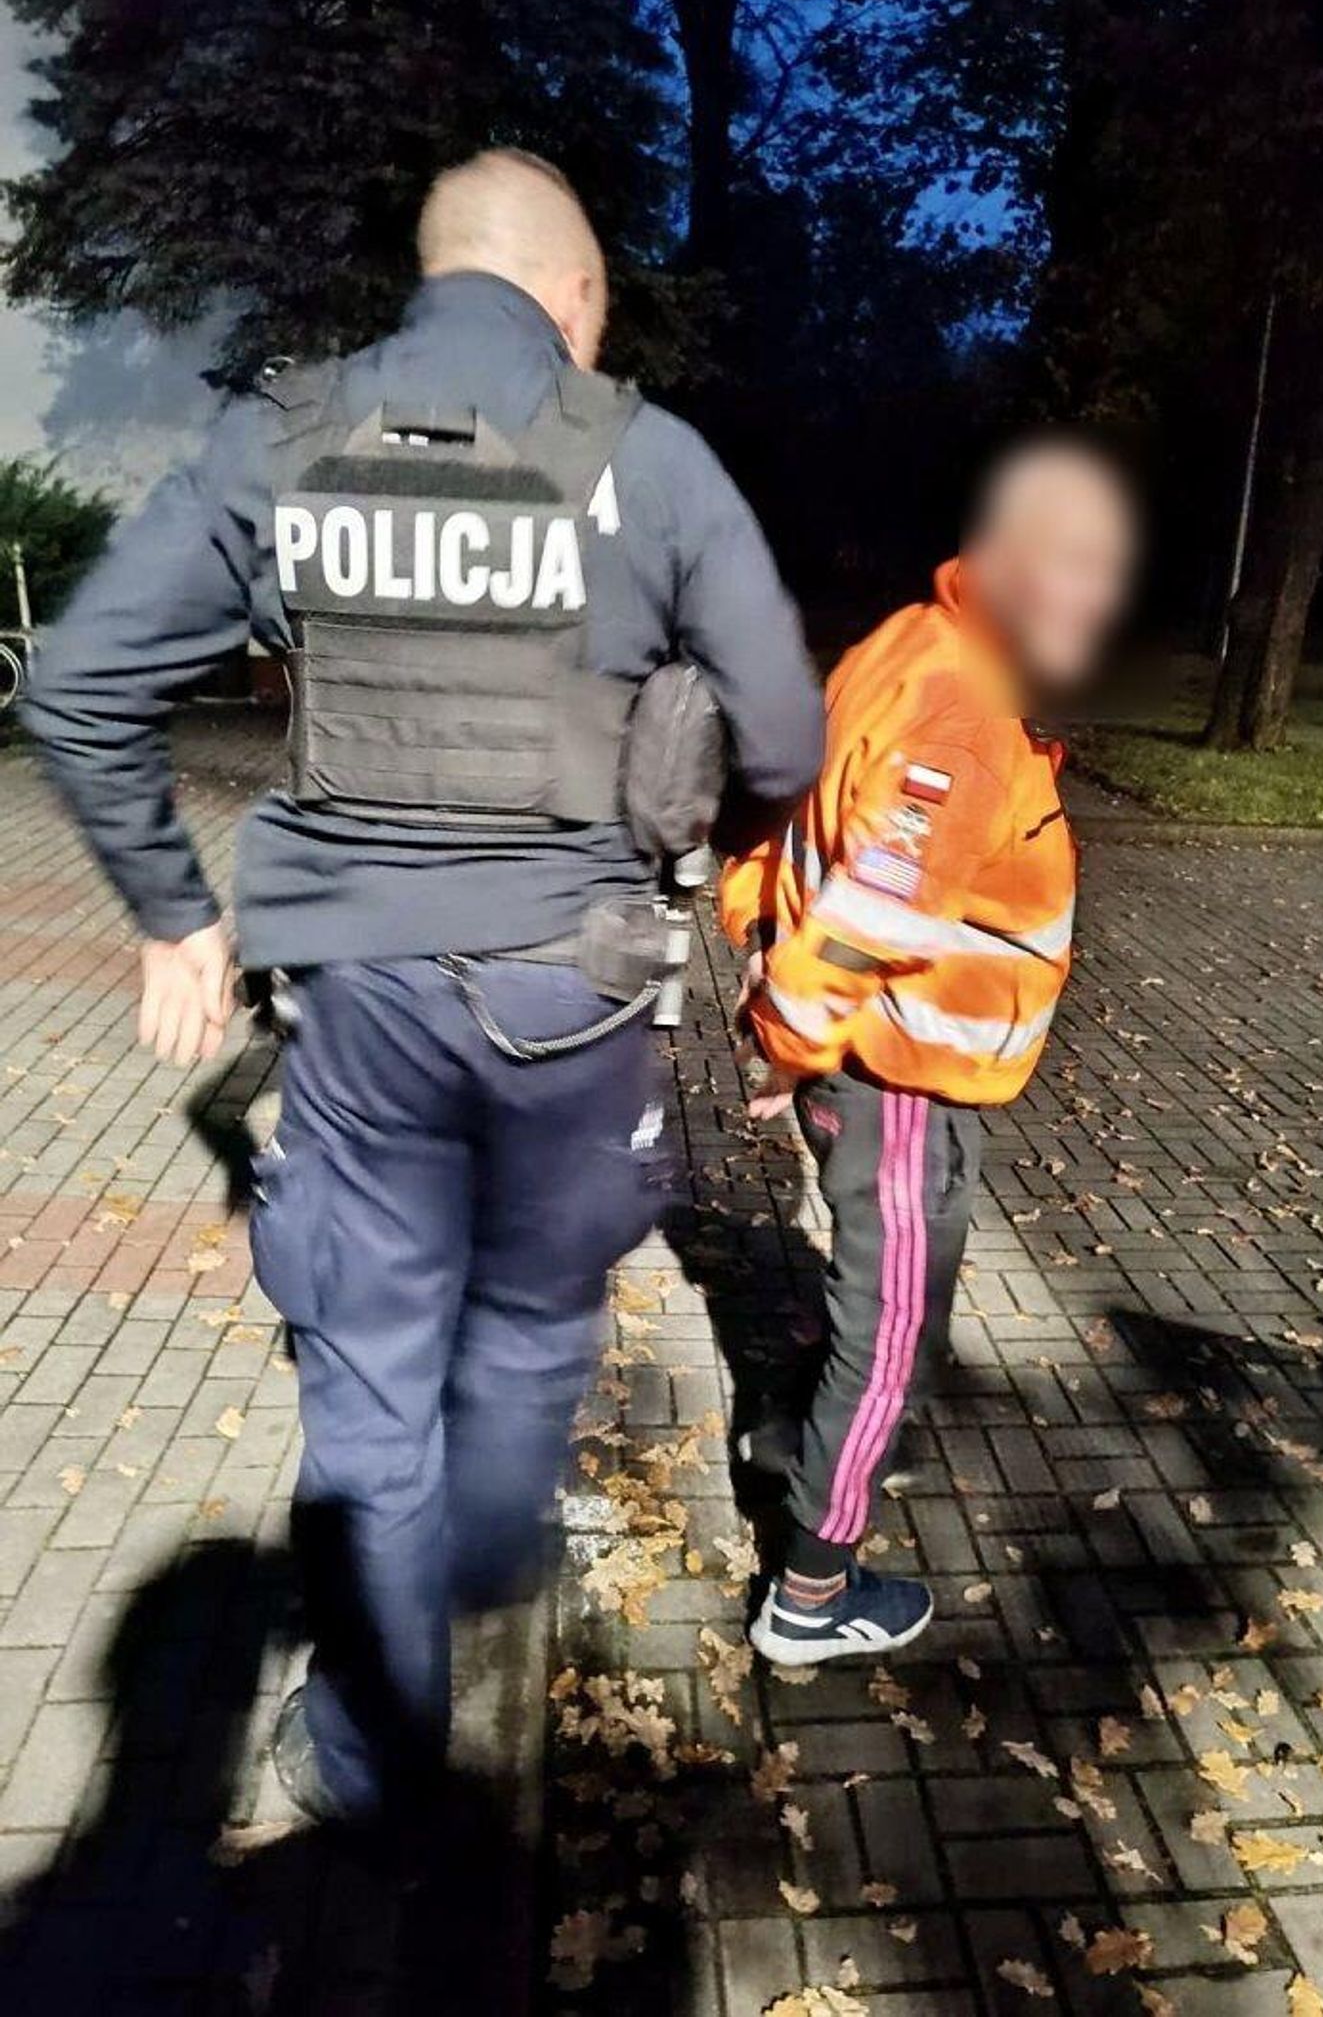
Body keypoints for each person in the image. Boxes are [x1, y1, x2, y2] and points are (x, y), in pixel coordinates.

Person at [23, 148, 823, 1820]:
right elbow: (785, 735)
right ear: (575, 298)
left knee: (373, 1388)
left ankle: (369, 1753)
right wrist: (691, 824)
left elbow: (81, 682)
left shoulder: (285, 439)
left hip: (360, 1005)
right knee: (526, 1326)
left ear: (433, 272)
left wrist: (176, 915)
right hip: (577, 999)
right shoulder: (649, 459)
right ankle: (478, 1549)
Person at [719, 433, 1138, 1665]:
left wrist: (757, 932)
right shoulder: (962, 715)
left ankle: (784, 1439)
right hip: (895, 1081)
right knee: (893, 1326)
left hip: (860, 1067)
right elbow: (874, 914)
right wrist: (787, 1036)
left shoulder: (907, 642)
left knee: (873, 1297)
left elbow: (796, 809)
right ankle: (811, 1591)